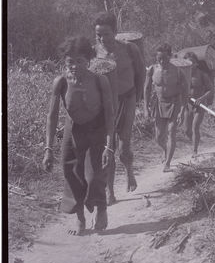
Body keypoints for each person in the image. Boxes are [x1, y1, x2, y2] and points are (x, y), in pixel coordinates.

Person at [42, 36, 115, 235]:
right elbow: (52, 117)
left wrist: (110, 145)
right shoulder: (61, 83)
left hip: (96, 131)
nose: (74, 66)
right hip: (72, 132)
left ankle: (101, 209)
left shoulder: (100, 81)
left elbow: (110, 114)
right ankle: (81, 218)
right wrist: (48, 149)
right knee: (71, 175)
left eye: (80, 61)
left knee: (94, 176)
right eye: (70, 62)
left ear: (89, 61)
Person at [94, 12, 145, 202]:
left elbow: (141, 74)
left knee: (124, 145)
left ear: (115, 32)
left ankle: (130, 171)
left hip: (127, 99)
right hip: (105, 104)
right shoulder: (94, 52)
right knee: (108, 147)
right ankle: (110, 191)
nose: (102, 38)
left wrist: (139, 100)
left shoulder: (130, 49)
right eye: (98, 34)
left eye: (106, 34)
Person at [144, 44, 187, 172]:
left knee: (171, 131)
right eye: (159, 58)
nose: (162, 61)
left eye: (164, 58)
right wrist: (146, 108)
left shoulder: (178, 71)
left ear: (169, 56)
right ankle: (165, 150)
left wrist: (183, 110)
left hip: (175, 102)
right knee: (158, 137)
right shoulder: (152, 70)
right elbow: (146, 89)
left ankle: (167, 163)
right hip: (159, 103)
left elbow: (185, 91)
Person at [181, 52, 215, 156]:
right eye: (187, 63)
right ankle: (195, 142)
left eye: (192, 63)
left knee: (195, 127)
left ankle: (195, 150)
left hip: (200, 105)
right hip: (187, 105)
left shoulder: (202, 75)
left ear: (196, 63)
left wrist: (201, 98)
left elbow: (211, 90)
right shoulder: (182, 75)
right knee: (186, 130)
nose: (190, 65)